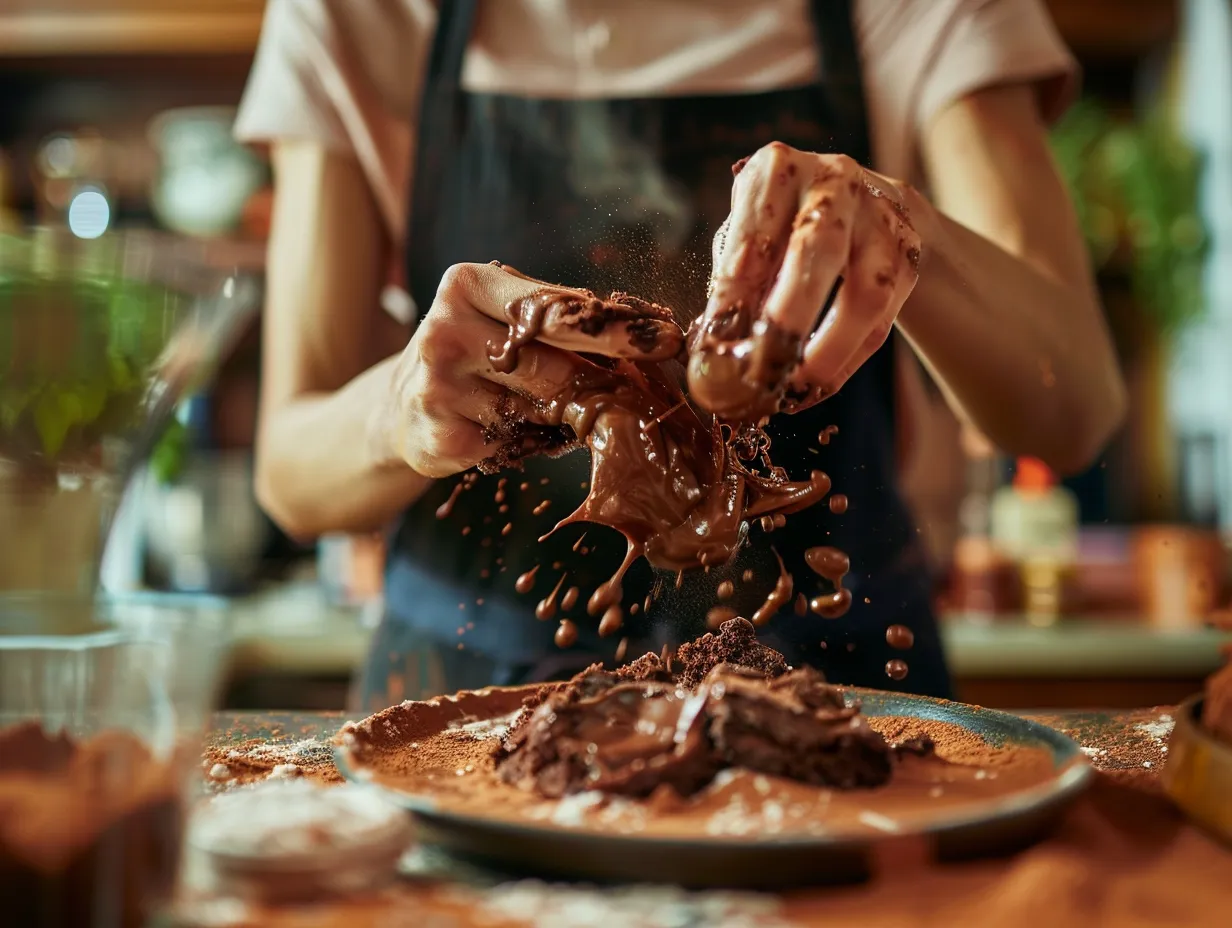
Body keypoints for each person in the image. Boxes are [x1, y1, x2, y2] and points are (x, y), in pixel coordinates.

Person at [235, 0, 1126, 706]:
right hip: (470, 710)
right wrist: (402, 407)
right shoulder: (361, 15)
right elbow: (290, 476)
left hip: (842, 703)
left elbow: (1075, 409)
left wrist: (903, 226)